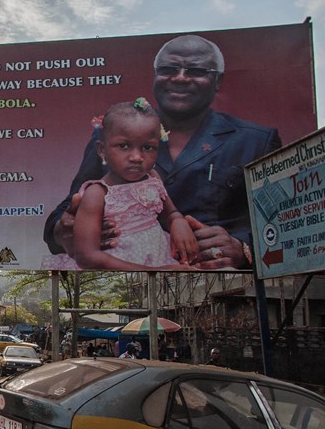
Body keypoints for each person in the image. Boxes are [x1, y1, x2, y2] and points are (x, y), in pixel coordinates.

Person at [44, 35, 281, 270]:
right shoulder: (110, 135)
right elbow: (68, 208)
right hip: (126, 283)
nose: (180, 77)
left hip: (219, 285)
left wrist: (245, 248)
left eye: (196, 70)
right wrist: (62, 229)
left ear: (217, 80)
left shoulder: (256, 141)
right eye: (168, 68)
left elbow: (285, 223)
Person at [43, 99, 199, 270]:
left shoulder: (153, 178)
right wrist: (153, 272)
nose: (137, 157)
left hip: (161, 257)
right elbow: (87, 256)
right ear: (102, 150)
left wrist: (178, 222)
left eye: (148, 147)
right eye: (124, 146)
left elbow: (170, 213)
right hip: (118, 269)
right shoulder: (96, 193)